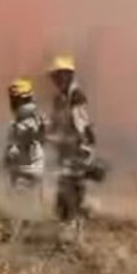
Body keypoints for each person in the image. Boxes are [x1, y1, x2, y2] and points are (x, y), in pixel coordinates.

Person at [46, 54, 98, 227]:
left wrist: (85, 148)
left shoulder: (76, 97)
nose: (57, 80)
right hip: (65, 150)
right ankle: (72, 218)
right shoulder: (59, 99)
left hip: (76, 150)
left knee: (70, 187)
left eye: (61, 75)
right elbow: (54, 124)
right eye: (56, 76)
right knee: (64, 189)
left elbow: (82, 126)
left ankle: (74, 221)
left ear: (68, 75)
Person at [3, 78, 47, 233]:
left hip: (26, 166)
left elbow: (25, 140)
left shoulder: (26, 121)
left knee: (21, 203)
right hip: (34, 165)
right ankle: (33, 231)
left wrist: (12, 152)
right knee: (31, 201)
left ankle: (23, 234)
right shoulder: (36, 117)